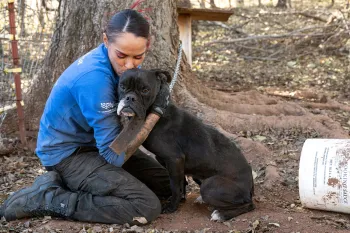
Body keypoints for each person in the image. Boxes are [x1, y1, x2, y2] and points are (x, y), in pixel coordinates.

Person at [0, 6, 172, 225]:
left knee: (167, 186)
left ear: (148, 46)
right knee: (145, 205)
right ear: (106, 40)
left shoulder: (117, 65)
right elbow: (113, 156)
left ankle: (66, 184)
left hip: (95, 144)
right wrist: (155, 113)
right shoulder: (94, 78)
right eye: (122, 55)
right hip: (67, 155)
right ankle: (48, 198)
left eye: (138, 56)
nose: (130, 65)